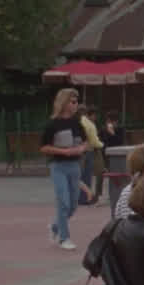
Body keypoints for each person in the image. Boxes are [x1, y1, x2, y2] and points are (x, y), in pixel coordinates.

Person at [39, 87, 87, 250]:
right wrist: (64, 151)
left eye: (77, 102)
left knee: (73, 206)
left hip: (75, 165)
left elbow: (85, 141)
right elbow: (44, 147)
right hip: (58, 166)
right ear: (64, 103)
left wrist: (82, 148)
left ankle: (55, 227)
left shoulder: (77, 123)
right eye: (73, 102)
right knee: (63, 202)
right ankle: (64, 238)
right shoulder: (52, 124)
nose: (76, 105)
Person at [78, 104, 106, 206]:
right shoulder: (89, 124)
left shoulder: (78, 122)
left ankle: (81, 198)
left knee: (79, 175)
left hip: (78, 150)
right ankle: (87, 197)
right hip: (89, 150)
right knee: (87, 175)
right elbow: (94, 141)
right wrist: (102, 145)